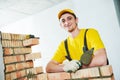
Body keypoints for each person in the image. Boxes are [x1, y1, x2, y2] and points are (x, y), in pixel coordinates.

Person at [46, 8, 108, 73]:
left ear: (76, 20)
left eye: (69, 18)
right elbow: (49, 67)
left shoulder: (90, 33)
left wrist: (77, 66)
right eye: (63, 21)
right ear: (61, 25)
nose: (66, 22)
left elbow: (101, 60)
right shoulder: (63, 45)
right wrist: (65, 67)